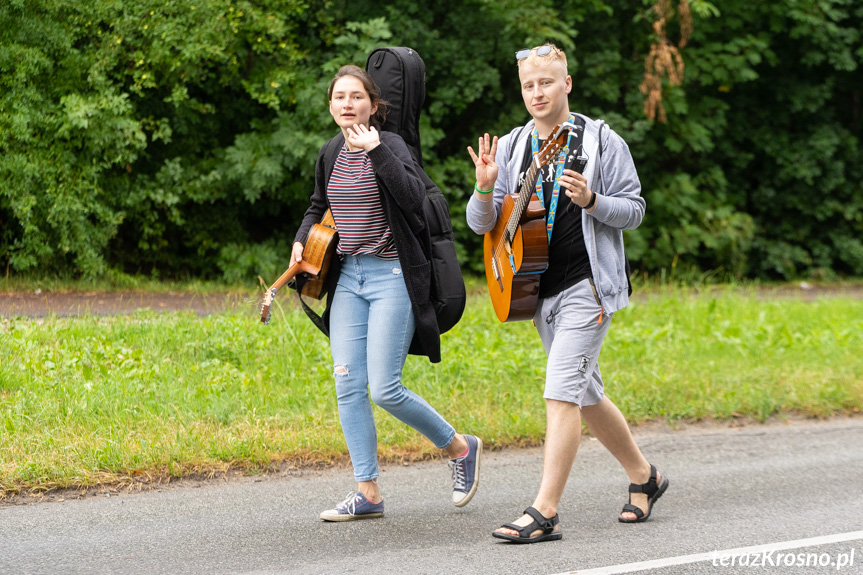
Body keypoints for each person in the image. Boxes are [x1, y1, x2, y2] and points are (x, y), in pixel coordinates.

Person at [465, 44, 668, 543]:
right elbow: (483, 226)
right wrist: (485, 188)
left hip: (587, 288)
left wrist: (593, 200)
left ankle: (545, 511)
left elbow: (635, 210)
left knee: (561, 392)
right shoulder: (513, 146)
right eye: (529, 85)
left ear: (567, 84)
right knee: (588, 394)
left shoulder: (601, 142)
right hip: (536, 291)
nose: (537, 92)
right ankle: (647, 478)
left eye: (547, 83)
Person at [292, 65, 481, 521]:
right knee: (347, 385)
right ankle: (368, 492)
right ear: (331, 105)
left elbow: (417, 201)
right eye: (339, 97)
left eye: (357, 97)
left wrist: (377, 152)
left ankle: (459, 447)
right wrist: (301, 239)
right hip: (349, 280)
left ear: (373, 106)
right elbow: (319, 206)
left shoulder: (390, 145)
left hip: (392, 275)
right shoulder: (329, 152)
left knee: (385, 388)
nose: (347, 104)